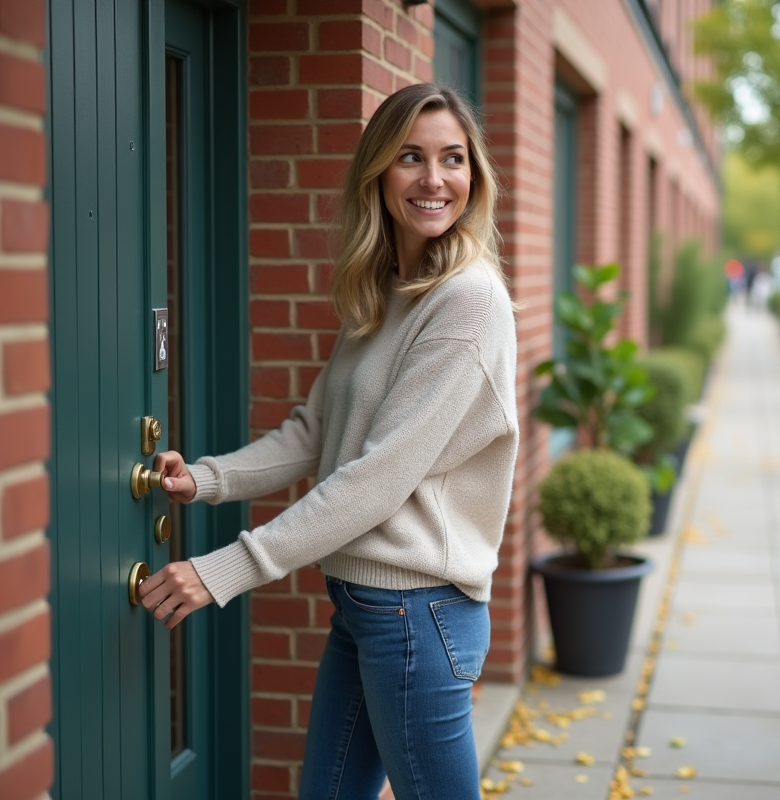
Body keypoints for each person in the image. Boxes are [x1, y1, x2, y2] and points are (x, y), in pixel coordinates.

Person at [137, 83, 518, 800]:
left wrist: (224, 570)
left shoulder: (468, 300)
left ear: (475, 176)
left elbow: (378, 478)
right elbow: (315, 432)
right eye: (411, 157)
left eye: (453, 159)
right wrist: (209, 479)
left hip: (418, 614)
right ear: (377, 170)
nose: (435, 179)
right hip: (367, 608)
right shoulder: (388, 291)